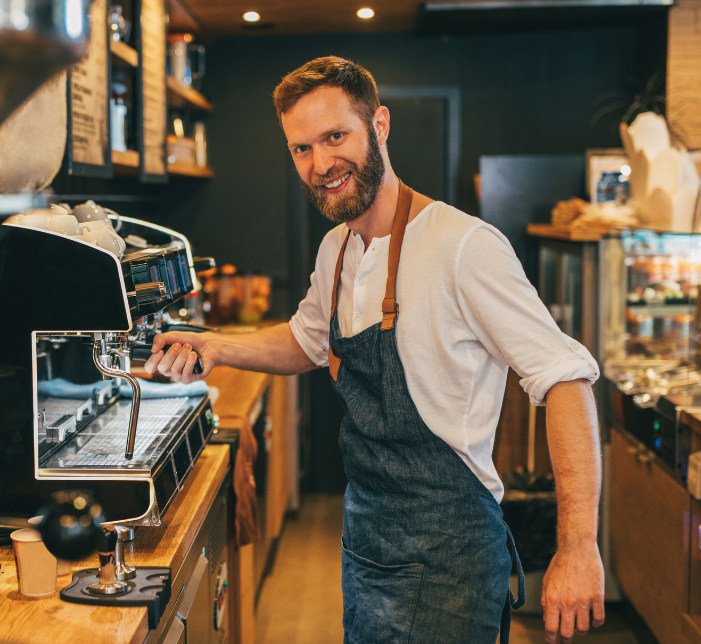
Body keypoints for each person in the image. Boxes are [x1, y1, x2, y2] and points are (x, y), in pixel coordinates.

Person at [144, 57, 604, 644]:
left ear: (379, 126)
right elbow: (306, 340)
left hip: (448, 562)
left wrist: (578, 546)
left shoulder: (461, 246)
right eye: (301, 149)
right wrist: (216, 347)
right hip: (367, 544)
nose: (320, 164)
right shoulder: (336, 248)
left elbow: (565, 378)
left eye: (336, 136)